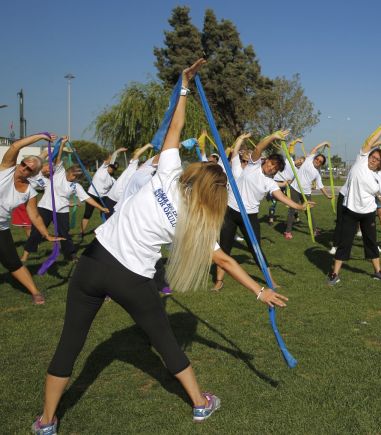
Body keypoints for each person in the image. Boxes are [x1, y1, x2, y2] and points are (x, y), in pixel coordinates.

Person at [31, 59, 288, 435]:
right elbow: (226, 262)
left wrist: (183, 86)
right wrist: (259, 290)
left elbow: (175, 128)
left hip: (93, 263)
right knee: (166, 343)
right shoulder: (196, 224)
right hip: (132, 279)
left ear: (195, 174)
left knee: (70, 343)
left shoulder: (167, 175)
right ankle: (201, 404)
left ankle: (47, 421)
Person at [213, 130, 315, 291]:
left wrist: (299, 206)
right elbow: (259, 148)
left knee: (256, 250)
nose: (271, 167)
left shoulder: (270, 183)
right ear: (266, 160)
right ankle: (219, 281)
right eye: (271, 163)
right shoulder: (253, 164)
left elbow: (281, 196)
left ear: (276, 171)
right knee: (224, 247)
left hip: (249, 216)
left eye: (275, 167)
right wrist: (273, 137)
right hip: (230, 212)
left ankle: (270, 282)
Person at [327, 126, 381, 285]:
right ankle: (334, 274)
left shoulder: (378, 177)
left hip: (368, 213)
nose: (373, 160)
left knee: (371, 243)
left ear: (380, 164)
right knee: (345, 243)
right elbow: (369, 142)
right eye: (373, 156)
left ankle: (378, 272)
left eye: (377, 159)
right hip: (351, 211)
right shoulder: (361, 160)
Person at [21, 140, 109, 263]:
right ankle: (25, 255)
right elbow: (58, 157)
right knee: (37, 232)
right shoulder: (59, 172)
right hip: (45, 207)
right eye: (74, 176)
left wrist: (101, 208)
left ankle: (71, 254)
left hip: (62, 210)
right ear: (69, 172)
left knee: (64, 233)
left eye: (77, 177)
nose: (75, 178)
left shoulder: (76, 186)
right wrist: (62, 144)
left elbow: (88, 199)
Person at [0, 132, 63, 305]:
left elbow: (34, 215)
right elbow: (15, 146)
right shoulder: (6, 168)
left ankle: (35, 292)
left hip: (1, 228)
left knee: (12, 262)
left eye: (29, 169)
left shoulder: (30, 192)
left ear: (34, 173)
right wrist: (41, 136)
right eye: (23, 164)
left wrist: (46, 235)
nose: (24, 169)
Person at [284, 142, 333, 239]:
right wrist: (324, 143)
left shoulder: (318, 172)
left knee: (309, 211)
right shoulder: (309, 160)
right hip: (295, 189)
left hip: (306, 193)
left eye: (320, 162)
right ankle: (288, 231)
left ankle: (314, 230)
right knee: (292, 210)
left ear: (321, 164)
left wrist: (327, 195)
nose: (317, 161)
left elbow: (321, 185)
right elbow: (315, 148)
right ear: (314, 158)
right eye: (317, 159)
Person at [80, 147, 127, 237]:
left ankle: (106, 230)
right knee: (87, 214)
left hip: (103, 197)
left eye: (113, 168)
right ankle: (82, 233)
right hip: (92, 195)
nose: (111, 169)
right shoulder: (102, 169)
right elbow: (110, 159)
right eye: (111, 166)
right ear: (109, 166)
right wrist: (118, 151)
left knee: (107, 212)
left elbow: (117, 188)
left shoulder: (113, 180)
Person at [102, 143, 153, 214]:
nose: (143, 166)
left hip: (122, 202)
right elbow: (137, 155)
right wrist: (147, 146)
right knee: (106, 220)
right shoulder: (132, 167)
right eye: (142, 164)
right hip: (112, 197)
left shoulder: (142, 177)